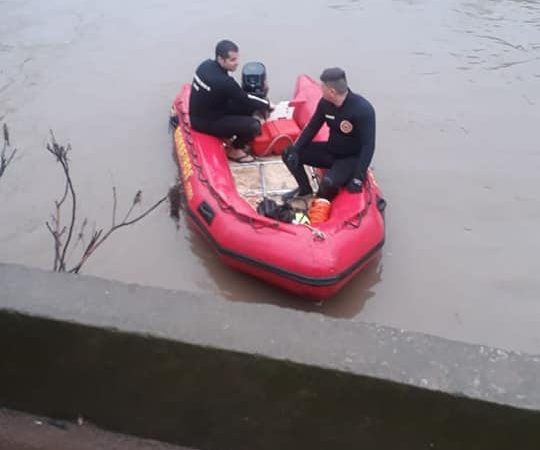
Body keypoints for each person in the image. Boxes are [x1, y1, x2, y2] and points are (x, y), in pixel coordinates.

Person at [282, 67, 376, 202]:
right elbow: (312, 128)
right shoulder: (325, 104)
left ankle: (319, 203)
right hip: (330, 150)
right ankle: (305, 190)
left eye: (323, 87)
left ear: (332, 92)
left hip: (349, 159)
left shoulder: (362, 110)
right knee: (288, 153)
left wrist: (358, 177)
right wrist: (296, 150)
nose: (321, 90)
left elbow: (368, 146)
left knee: (328, 183)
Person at [189, 40, 271, 163]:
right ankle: (234, 149)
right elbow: (245, 98)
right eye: (232, 60)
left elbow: (240, 98)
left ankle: (228, 134)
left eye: (237, 59)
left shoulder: (205, 65)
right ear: (220, 59)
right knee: (254, 125)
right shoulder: (224, 82)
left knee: (249, 107)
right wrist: (268, 105)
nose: (237, 63)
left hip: (208, 109)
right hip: (205, 122)